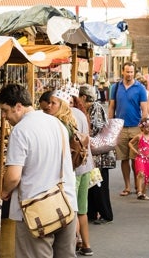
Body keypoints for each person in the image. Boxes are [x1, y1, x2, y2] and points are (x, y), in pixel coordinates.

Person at [0, 84, 78, 258]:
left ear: (18, 106)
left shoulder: (20, 131)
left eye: (5, 110)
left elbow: (13, 176)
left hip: (36, 209)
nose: (4, 116)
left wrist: (4, 191)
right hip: (65, 202)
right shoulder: (57, 123)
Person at [46, 86, 93, 256]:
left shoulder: (59, 124)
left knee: (69, 209)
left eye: (53, 103)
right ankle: (85, 244)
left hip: (68, 173)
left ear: (63, 105)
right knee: (81, 209)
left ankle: (75, 239)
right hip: (82, 168)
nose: (49, 107)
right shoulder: (76, 117)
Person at [108, 61, 148, 196]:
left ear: (134, 72)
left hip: (136, 127)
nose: (129, 74)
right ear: (123, 72)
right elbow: (112, 106)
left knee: (135, 159)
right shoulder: (115, 87)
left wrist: (144, 125)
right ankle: (127, 186)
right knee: (123, 158)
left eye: (131, 72)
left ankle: (138, 187)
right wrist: (111, 124)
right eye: (127, 72)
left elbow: (144, 108)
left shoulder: (140, 88)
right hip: (120, 127)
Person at [79, 84, 114, 225]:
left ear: (84, 97)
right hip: (94, 154)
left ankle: (106, 214)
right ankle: (92, 212)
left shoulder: (96, 108)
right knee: (92, 184)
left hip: (100, 154)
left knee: (100, 185)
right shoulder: (88, 108)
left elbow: (97, 128)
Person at [69, 92, 94, 256]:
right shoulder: (81, 114)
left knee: (73, 211)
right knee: (82, 209)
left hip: (74, 168)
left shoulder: (67, 117)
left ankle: (73, 244)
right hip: (85, 166)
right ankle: (86, 245)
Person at [128, 117, 149, 200]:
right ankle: (139, 192)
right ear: (142, 127)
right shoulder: (139, 136)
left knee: (148, 176)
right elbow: (130, 143)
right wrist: (135, 151)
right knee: (141, 173)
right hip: (140, 158)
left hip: (148, 160)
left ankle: (144, 193)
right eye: (147, 127)